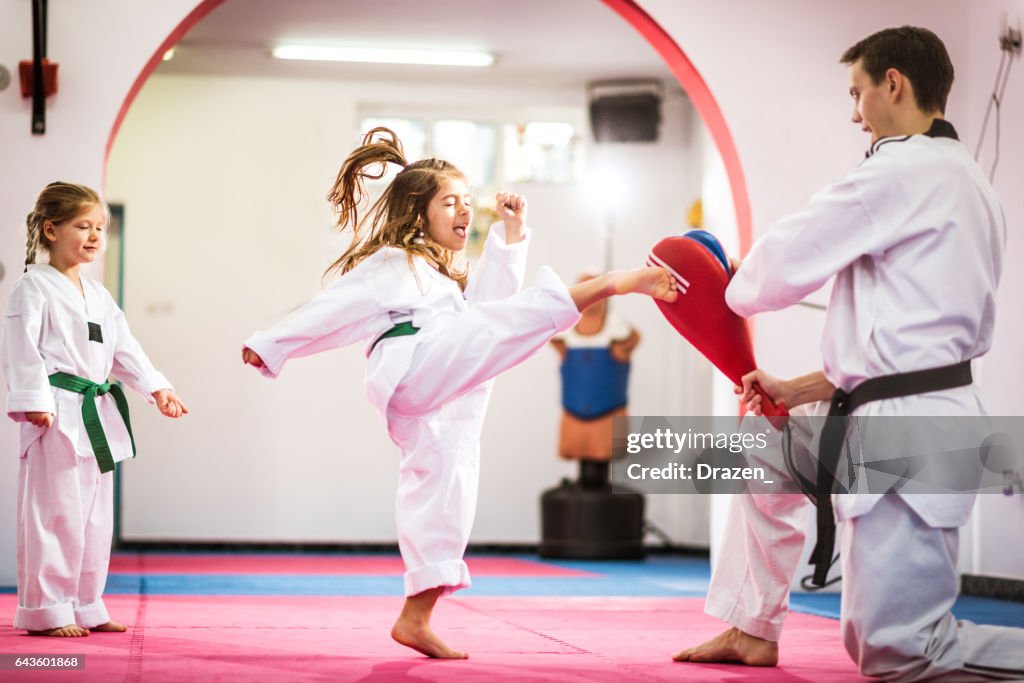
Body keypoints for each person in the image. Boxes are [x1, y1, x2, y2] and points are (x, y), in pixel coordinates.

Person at [241, 127, 677, 659]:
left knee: (448, 493)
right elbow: (335, 309)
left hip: (444, 396)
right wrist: (272, 343)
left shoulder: (444, 277)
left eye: (469, 203)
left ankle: (416, 616)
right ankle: (610, 282)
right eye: (450, 201)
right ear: (417, 212)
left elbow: (490, 306)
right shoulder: (394, 263)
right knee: (501, 327)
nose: (464, 211)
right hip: (418, 367)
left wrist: (511, 235)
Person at [673, 27, 1024, 681]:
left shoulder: (898, 170)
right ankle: (753, 626)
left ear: (894, 83)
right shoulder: (970, 182)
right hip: (906, 410)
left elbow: (768, 277)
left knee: (899, 651)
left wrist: (725, 272)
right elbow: (902, 341)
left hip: (910, 435)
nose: (854, 111)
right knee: (763, 449)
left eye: (858, 92)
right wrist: (797, 389)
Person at [1, 182, 187, 638]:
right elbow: (21, 350)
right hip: (56, 414)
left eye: (99, 228)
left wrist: (156, 388)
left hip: (96, 412)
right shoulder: (32, 287)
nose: (93, 236)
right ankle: (47, 611)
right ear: (50, 230)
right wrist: (34, 402)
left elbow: (126, 349)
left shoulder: (99, 295)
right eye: (82, 226)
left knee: (94, 516)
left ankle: (86, 603)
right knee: (55, 513)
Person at [551, 271, 640, 471]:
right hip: (572, 417)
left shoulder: (619, 331)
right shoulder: (563, 335)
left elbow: (633, 338)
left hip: (609, 417)